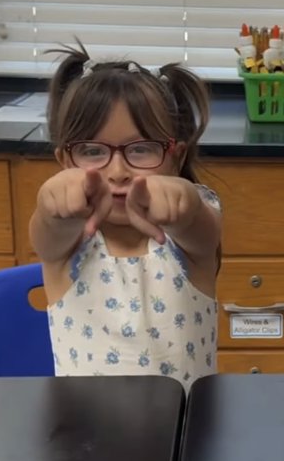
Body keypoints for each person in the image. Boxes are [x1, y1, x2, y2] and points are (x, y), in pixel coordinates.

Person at [30, 42, 221, 383]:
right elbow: (47, 233)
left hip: (185, 431)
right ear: (64, 162)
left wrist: (186, 205)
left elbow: (202, 230)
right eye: (91, 150)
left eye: (141, 149)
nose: (117, 171)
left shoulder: (189, 235)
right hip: (86, 433)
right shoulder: (67, 242)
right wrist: (51, 204)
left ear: (175, 158)